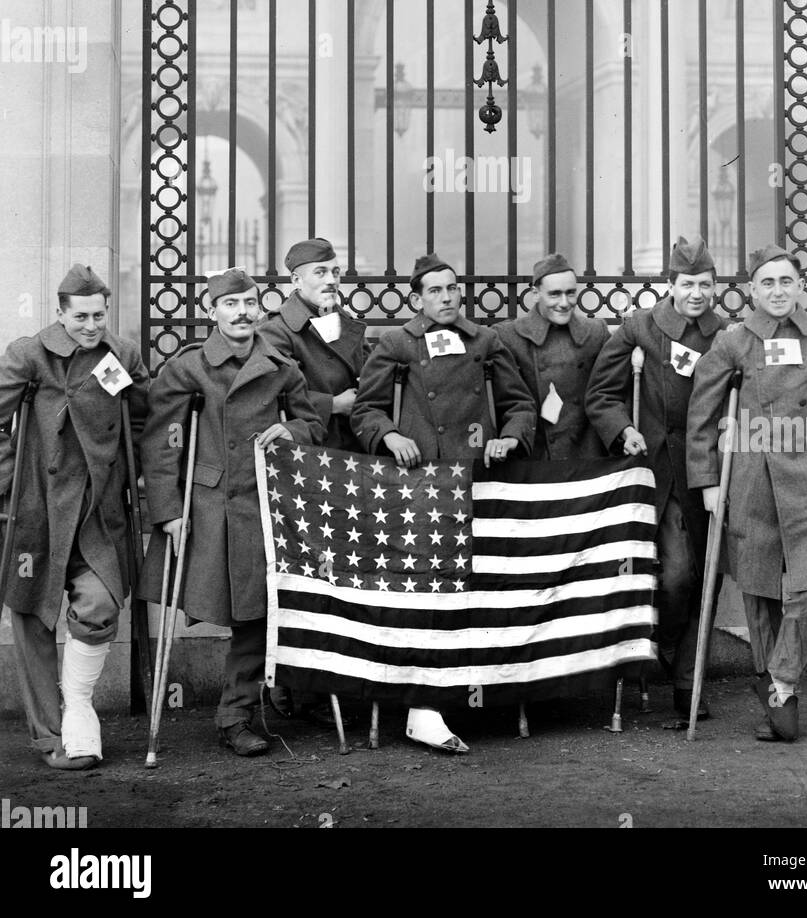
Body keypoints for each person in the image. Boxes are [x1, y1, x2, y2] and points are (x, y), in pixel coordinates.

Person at [351, 252, 536, 752]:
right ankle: (423, 709)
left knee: (475, 591)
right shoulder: (395, 343)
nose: (447, 297)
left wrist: (511, 438)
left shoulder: (487, 341)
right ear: (417, 299)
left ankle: (469, 697)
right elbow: (365, 408)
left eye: (452, 288)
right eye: (435, 290)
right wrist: (388, 436)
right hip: (421, 485)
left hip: (478, 477)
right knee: (428, 594)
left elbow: (521, 405)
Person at [138, 268, 327, 757]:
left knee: (258, 615)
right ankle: (225, 709)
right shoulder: (187, 370)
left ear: (260, 306)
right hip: (208, 510)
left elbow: (311, 422)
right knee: (236, 613)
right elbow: (162, 445)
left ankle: (234, 715)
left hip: (266, 508)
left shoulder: (282, 367)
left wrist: (294, 433)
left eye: (249, 303)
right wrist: (167, 513)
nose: (242, 312)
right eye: (230, 304)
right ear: (212, 311)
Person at [686, 243, 807, 742]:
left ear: (801, 288)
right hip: (751, 484)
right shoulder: (732, 344)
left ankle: (783, 681)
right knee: (760, 590)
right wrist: (707, 482)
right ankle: (774, 686)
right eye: (767, 283)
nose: (777, 291)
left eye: (786, 281)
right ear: (752, 291)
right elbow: (701, 419)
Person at [0, 264, 150, 769]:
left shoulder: (123, 355)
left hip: (96, 512)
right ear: (60, 313)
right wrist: (5, 487)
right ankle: (50, 738)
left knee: (100, 606)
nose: (91, 325)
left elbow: (145, 420)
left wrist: (144, 480)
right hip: (36, 511)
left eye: (99, 315)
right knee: (31, 618)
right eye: (81, 316)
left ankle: (79, 706)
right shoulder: (29, 354)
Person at [585, 235, 726, 722]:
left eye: (705, 284)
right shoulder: (639, 328)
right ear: (671, 284)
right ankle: (666, 649)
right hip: (656, 472)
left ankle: (688, 684)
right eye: (687, 283)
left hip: (708, 470)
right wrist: (622, 428)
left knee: (706, 575)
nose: (696, 293)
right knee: (679, 577)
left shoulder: (726, 334)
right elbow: (601, 394)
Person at [495, 253, 608, 462]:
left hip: (585, 453)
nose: (564, 303)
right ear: (536, 294)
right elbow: (509, 400)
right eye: (555, 294)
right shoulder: (509, 336)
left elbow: (608, 392)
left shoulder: (595, 332)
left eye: (571, 293)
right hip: (534, 454)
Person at [260, 237, 367, 453]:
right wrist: (333, 404)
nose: (331, 281)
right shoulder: (276, 330)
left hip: (355, 443)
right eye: (320, 272)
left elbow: (371, 374)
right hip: (308, 449)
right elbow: (271, 393)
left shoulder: (346, 322)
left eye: (335, 272)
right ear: (297, 280)